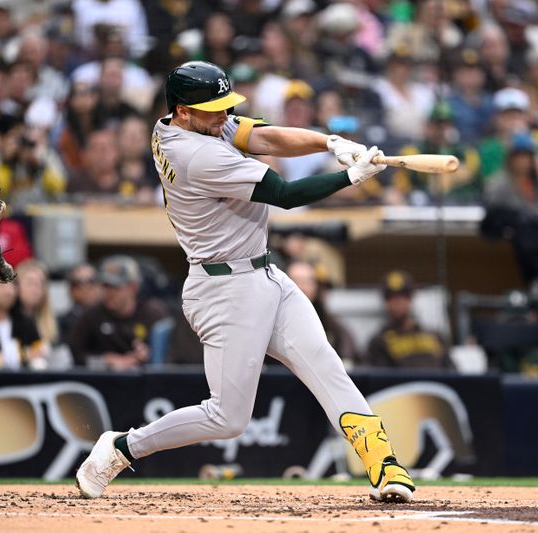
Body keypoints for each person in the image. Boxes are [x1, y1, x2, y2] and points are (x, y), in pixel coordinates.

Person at [76, 61, 415, 503]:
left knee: (325, 363)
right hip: (223, 289)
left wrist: (331, 142)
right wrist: (352, 177)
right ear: (181, 111)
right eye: (212, 109)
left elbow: (264, 136)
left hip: (264, 273)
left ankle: (383, 465)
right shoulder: (196, 154)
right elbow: (286, 196)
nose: (222, 115)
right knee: (227, 418)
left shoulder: (185, 125)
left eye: (224, 106)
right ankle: (122, 447)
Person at [67, 255, 169, 370]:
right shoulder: (91, 317)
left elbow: (170, 357)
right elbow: (75, 357)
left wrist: (149, 353)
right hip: (104, 382)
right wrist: (106, 361)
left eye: (116, 287)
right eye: (105, 286)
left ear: (133, 287)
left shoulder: (153, 314)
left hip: (144, 382)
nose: (109, 293)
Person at [365, 270, 448, 369]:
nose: (397, 302)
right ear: (385, 301)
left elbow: (453, 373)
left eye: (403, 295)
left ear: (411, 298)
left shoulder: (435, 337)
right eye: (390, 297)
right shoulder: (379, 342)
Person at [286, 260, 359, 367]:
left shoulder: (333, 328)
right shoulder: (269, 322)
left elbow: (348, 360)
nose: (302, 288)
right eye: (296, 282)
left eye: (307, 282)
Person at [58, 262, 103, 341]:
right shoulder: (60, 324)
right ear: (70, 290)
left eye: (91, 281)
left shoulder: (116, 317)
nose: (85, 288)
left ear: (99, 286)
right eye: (78, 283)